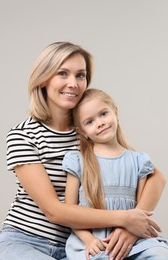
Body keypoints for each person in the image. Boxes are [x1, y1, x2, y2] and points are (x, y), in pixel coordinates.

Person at [0, 42, 166, 260]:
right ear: (43, 79)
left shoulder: (90, 129)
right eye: (63, 73)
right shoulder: (23, 136)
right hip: (26, 241)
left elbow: (155, 178)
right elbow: (54, 211)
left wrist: (130, 228)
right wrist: (125, 218)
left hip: (83, 245)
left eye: (81, 75)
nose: (73, 83)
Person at [62, 88, 168, 260]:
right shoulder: (77, 161)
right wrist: (88, 240)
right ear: (81, 131)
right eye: (89, 122)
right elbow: (69, 212)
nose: (100, 123)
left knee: (160, 254)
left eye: (103, 114)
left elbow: (140, 211)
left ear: (115, 112)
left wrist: (133, 231)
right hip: (92, 241)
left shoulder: (139, 161)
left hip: (131, 238)